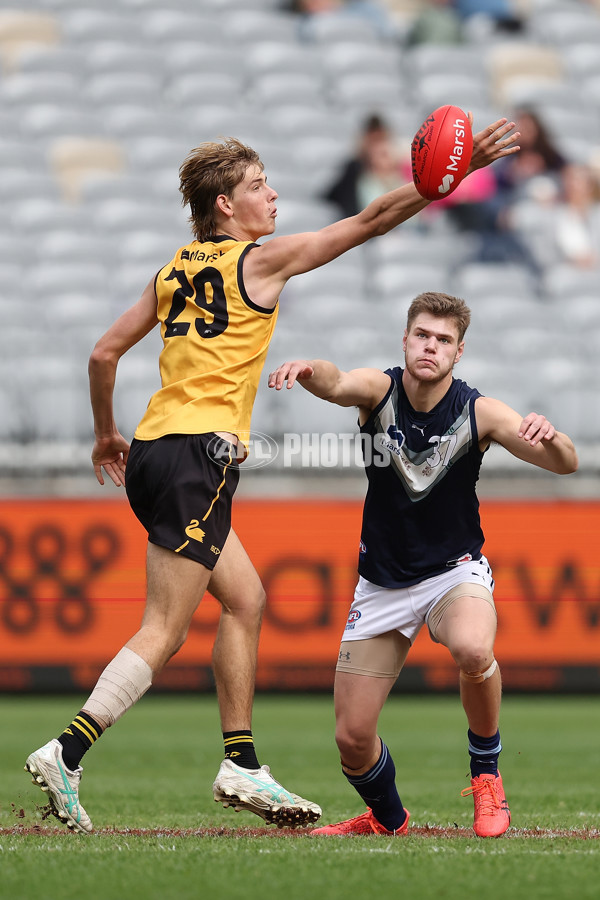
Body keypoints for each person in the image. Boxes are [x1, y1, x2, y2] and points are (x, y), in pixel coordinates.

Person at [24, 116, 520, 834]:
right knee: (163, 631)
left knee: (246, 600)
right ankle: (68, 751)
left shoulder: (172, 271)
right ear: (226, 205)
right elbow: (374, 218)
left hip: (155, 449)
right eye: (258, 186)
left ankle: (242, 761)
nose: (273, 194)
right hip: (200, 456)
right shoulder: (255, 262)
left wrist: (106, 432)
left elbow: (104, 354)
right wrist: (456, 169)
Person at [268, 291, 578, 838]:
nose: (430, 347)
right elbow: (339, 383)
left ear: (459, 353)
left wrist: (550, 438)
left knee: (474, 648)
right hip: (382, 583)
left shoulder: (478, 411)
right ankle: (388, 819)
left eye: (443, 340)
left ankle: (486, 776)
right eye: (422, 336)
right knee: (352, 738)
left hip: (453, 573)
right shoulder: (380, 390)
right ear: (405, 340)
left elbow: (567, 464)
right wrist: (309, 370)